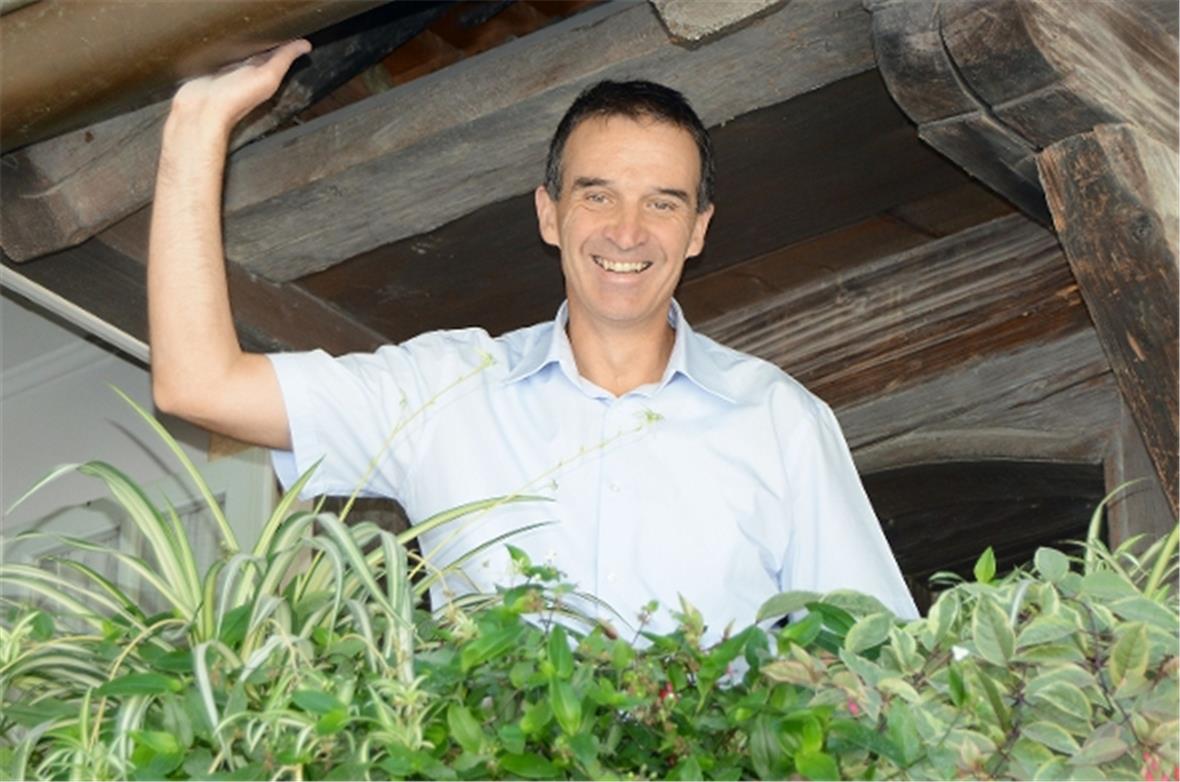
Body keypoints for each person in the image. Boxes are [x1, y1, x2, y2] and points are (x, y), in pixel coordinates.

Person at [149, 41, 918, 643]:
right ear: (549, 215)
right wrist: (197, 126)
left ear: (697, 231)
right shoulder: (447, 391)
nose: (627, 231)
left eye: (662, 202)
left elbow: (874, 659)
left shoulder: (779, 422)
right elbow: (198, 385)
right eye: (598, 195)